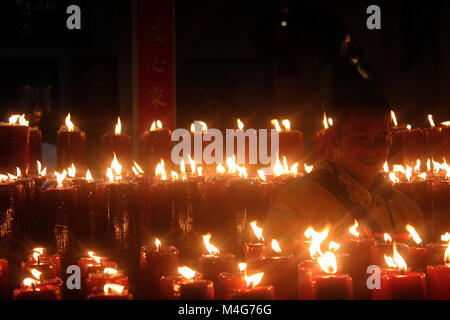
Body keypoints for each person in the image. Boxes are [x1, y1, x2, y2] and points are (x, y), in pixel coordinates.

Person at [264, 89, 425, 252]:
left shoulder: (406, 210)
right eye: (360, 138)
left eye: (381, 139)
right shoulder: (296, 200)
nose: (373, 149)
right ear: (334, 139)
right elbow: (276, 261)